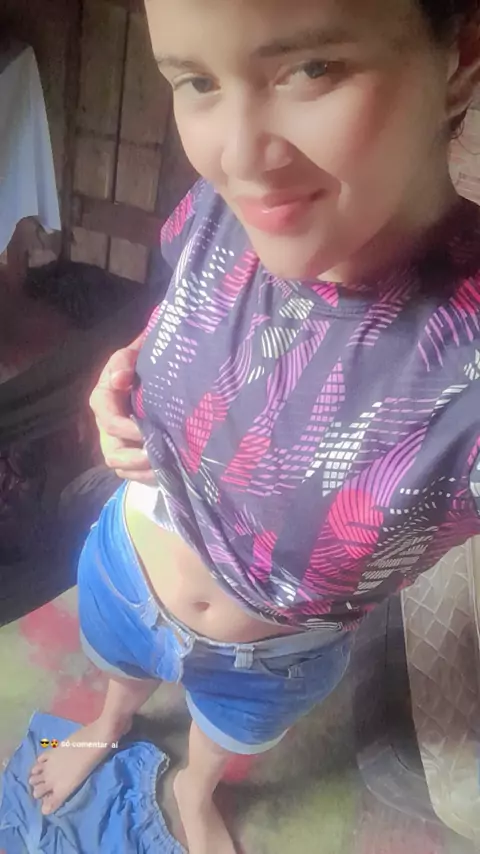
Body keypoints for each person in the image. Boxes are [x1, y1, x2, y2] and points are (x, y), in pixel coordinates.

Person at [29, 0, 480, 852]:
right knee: (118, 673)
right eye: (197, 81)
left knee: (224, 736)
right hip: (127, 564)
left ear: (459, 54)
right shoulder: (220, 211)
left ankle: (195, 790)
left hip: (268, 660)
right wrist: (118, 378)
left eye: (310, 69)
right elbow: (182, 324)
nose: (237, 158)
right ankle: (107, 723)